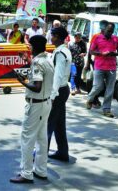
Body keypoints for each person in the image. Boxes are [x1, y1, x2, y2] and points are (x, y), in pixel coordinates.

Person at [10, 35, 54, 184]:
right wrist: (28, 60)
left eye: (30, 46)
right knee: (42, 139)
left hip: (36, 105)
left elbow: (37, 87)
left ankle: (26, 173)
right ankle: (41, 170)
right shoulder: (47, 60)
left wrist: (22, 82)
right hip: (46, 103)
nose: (28, 48)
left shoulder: (37, 63)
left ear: (34, 47)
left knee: (27, 139)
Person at [86, 22, 118, 118]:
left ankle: (106, 109)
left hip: (112, 67)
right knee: (98, 86)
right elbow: (91, 51)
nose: (109, 33)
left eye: (111, 31)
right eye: (108, 31)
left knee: (110, 89)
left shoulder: (115, 39)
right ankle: (89, 99)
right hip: (99, 66)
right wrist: (102, 53)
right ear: (104, 29)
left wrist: (113, 53)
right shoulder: (97, 38)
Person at [47, 27, 72, 163]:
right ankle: (63, 152)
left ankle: (41, 153)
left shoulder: (61, 53)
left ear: (57, 37)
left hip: (58, 91)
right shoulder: (64, 50)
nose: (51, 38)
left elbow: (58, 75)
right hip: (62, 90)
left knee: (49, 123)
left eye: (52, 36)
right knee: (59, 124)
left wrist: (52, 95)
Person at [84, 20, 109, 108]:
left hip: (108, 64)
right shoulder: (96, 36)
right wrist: (88, 63)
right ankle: (93, 99)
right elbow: (90, 51)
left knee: (102, 85)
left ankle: (94, 98)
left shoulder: (110, 36)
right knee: (95, 83)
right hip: (96, 62)